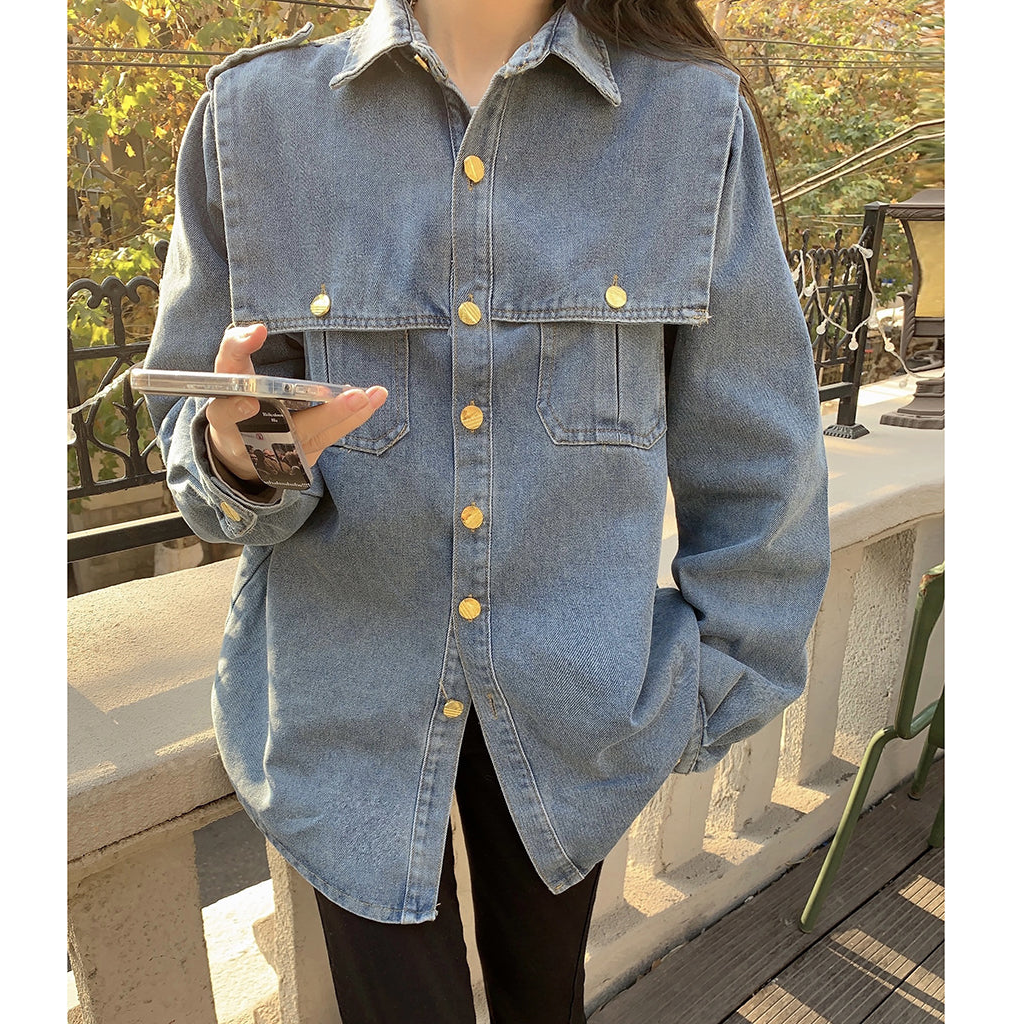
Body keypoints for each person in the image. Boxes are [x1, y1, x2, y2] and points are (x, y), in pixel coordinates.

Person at [144, 1, 831, 1021]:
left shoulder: (691, 123)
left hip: (577, 700)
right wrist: (249, 455)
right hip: (342, 701)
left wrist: (711, 688)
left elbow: (758, 451)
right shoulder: (256, 119)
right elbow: (202, 439)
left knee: (545, 998)